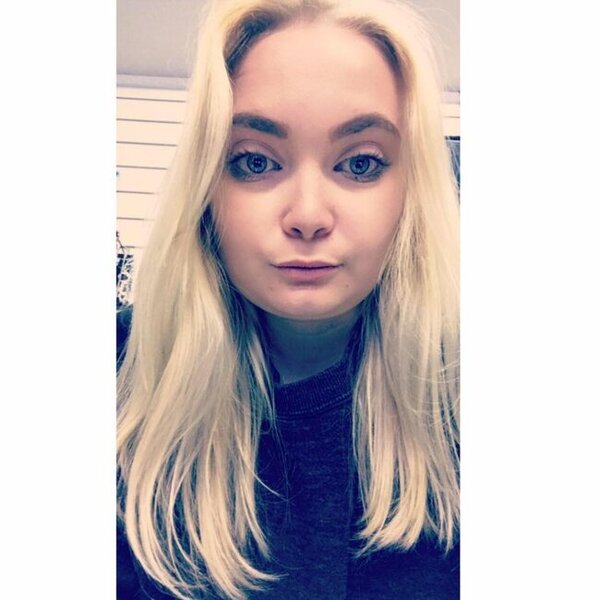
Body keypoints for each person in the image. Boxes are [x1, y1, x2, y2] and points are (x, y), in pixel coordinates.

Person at [117, 0, 460, 598]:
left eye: (360, 163)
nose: (307, 215)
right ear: (206, 185)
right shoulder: (116, 373)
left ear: (412, 189)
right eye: (255, 161)